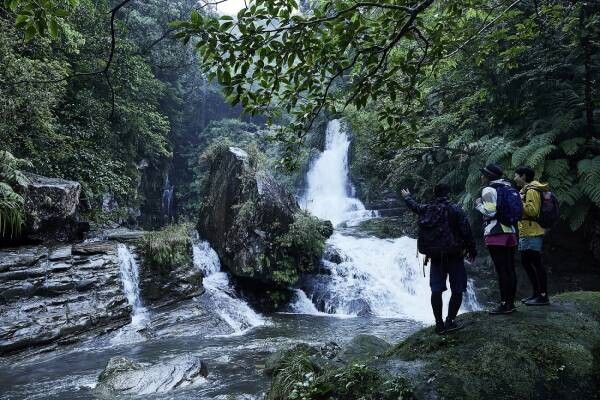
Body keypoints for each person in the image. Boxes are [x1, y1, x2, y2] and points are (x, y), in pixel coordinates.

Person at [401, 183, 477, 334]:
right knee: (457, 289)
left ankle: (439, 324)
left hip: (435, 256)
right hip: (455, 255)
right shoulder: (456, 209)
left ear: (435, 194)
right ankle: (450, 320)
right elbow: (466, 231)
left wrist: (407, 197)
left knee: (436, 290)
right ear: (448, 193)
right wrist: (472, 250)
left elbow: (415, 207)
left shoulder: (428, 209)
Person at [475, 164, 519, 315]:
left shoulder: (488, 190)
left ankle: (504, 304)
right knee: (510, 269)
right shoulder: (509, 187)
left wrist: (478, 204)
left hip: (496, 233)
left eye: (483, 174)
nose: (481, 177)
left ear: (488, 176)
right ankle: (511, 303)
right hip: (511, 232)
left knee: (501, 271)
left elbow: (490, 211)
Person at [514, 165, 550, 305]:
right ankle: (536, 293)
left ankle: (543, 295)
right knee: (526, 262)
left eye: (516, 175)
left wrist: (518, 200)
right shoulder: (525, 191)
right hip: (526, 231)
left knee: (536, 263)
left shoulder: (532, 191)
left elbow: (532, 211)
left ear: (523, 176)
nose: (515, 178)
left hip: (533, 231)